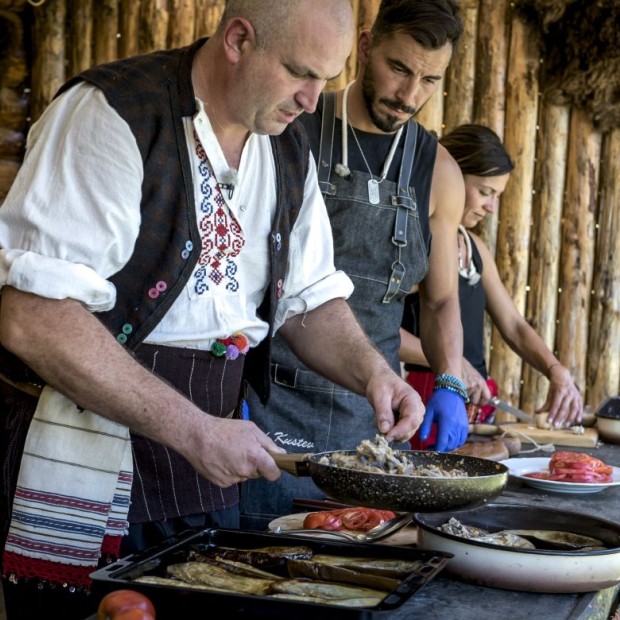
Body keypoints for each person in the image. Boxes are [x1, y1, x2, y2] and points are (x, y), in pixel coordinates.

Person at [0, 1, 427, 618]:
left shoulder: (287, 146)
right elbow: (34, 317)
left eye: (326, 80)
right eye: (299, 72)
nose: (313, 100)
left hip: (210, 466)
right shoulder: (113, 114)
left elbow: (310, 301)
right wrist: (194, 429)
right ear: (237, 39)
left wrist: (374, 374)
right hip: (89, 454)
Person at [240, 0, 470, 532]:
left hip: (374, 421)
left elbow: (438, 302)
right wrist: (228, 389)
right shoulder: (291, 125)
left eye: (430, 79)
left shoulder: (439, 171)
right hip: (270, 407)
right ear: (364, 46)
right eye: (400, 69)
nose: (410, 96)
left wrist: (451, 386)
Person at [401, 123, 583, 450]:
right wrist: (451, 366)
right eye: (485, 192)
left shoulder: (475, 248)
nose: (491, 207)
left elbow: (513, 325)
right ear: (451, 175)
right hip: (423, 399)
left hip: (470, 399)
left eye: (497, 196)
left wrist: (556, 370)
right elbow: (378, 332)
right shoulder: (413, 241)